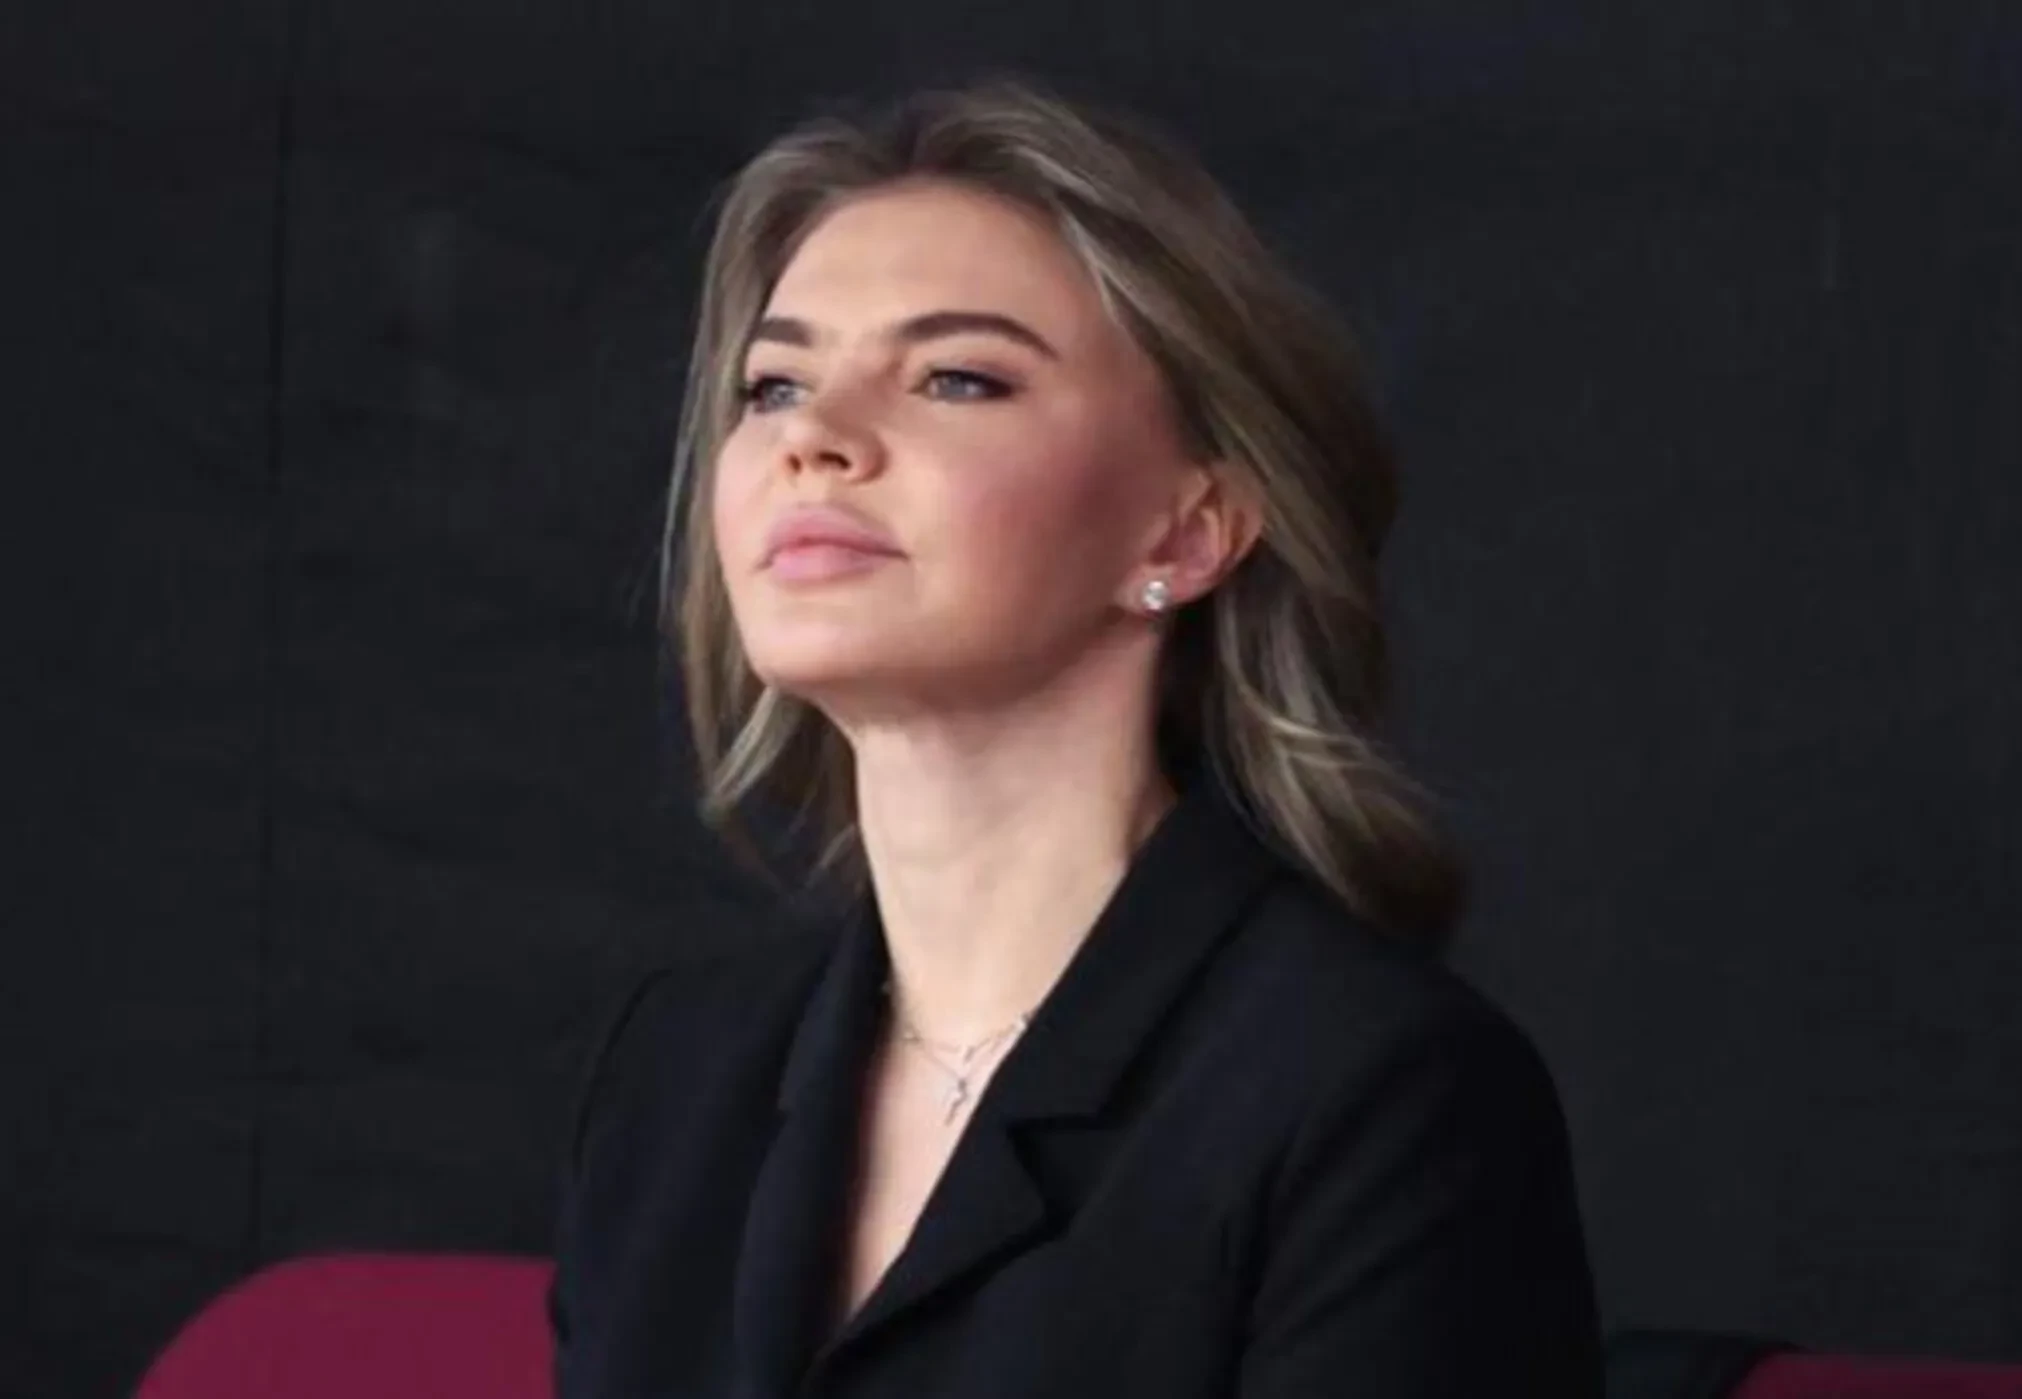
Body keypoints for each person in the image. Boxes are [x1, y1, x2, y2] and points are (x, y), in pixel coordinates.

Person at [548, 73, 1602, 1398]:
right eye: (772, 386)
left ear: (1188, 531)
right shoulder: (678, 1073)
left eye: (956, 378)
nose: (814, 437)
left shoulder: (1379, 1093)